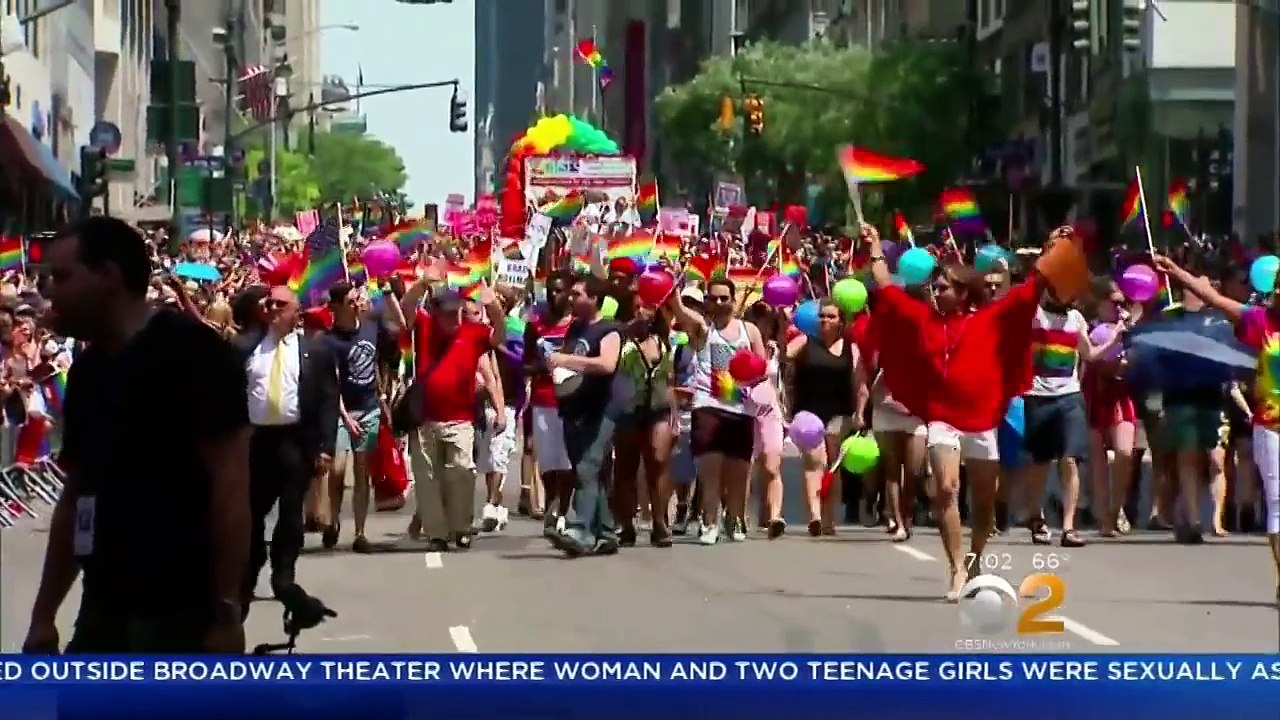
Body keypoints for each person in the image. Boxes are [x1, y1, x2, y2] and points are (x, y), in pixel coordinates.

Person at [24, 216, 251, 653]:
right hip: (103, 612)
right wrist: (43, 616)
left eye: (64, 276)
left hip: (179, 619)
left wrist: (225, 612)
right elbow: (75, 498)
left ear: (109, 276)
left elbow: (230, 487)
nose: (50, 291)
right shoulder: (88, 372)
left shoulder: (194, 354)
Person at [865, 222, 1049, 601]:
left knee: (984, 506)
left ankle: (976, 556)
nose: (935, 290)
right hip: (941, 417)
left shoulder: (990, 318)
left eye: (944, 286)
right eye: (935, 286)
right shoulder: (922, 319)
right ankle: (956, 569)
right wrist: (874, 249)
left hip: (981, 420)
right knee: (946, 487)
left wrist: (1051, 247)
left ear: (964, 292)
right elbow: (885, 287)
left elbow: (1032, 289)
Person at [236, 285, 340, 613]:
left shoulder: (313, 350)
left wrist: (324, 445)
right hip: (256, 442)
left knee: (291, 511)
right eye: (270, 303)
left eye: (282, 304)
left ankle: (284, 576)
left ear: (296, 312)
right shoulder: (246, 347)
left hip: (296, 441)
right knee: (251, 513)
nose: (274, 308)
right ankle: (248, 572)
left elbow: (327, 399)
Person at [396, 275, 505, 552]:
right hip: (425, 420)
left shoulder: (473, 332)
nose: (452, 317)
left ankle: (461, 527)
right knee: (428, 479)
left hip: (460, 419)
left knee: (462, 472)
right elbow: (406, 305)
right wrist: (422, 282)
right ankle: (437, 534)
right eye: (446, 312)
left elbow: (499, 336)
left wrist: (493, 308)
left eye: (455, 311)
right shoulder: (423, 326)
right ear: (434, 311)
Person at [668, 278, 768, 545]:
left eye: (725, 298)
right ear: (707, 301)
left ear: (733, 301)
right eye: (714, 298)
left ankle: (734, 518)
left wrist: (749, 372)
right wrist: (673, 282)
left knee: (738, 473)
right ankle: (709, 522)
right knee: (710, 469)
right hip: (708, 406)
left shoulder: (750, 331)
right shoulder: (703, 330)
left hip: (741, 409)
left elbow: (763, 368)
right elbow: (678, 309)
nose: (720, 303)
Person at [546, 275, 622, 557]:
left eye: (577, 294)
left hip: (601, 409)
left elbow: (606, 364)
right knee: (586, 469)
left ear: (594, 299)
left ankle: (581, 531)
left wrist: (566, 360)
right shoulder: (576, 328)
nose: (571, 298)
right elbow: (572, 363)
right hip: (575, 406)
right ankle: (605, 531)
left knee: (588, 467)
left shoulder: (610, 330)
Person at [786, 298, 869, 536]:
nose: (825, 320)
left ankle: (830, 518)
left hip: (839, 412)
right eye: (821, 316)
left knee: (833, 466)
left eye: (831, 316)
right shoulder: (805, 341)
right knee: (814, 462)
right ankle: (815, 516)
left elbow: (860, 383)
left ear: (841, 322)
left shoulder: (850, 348)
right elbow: (785, 355)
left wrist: (860, 413)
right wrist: (784, 328)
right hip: (808, 410)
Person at [322, 282, 389, 552]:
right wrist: (347, 418)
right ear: (336, 307)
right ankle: (334, 520)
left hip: (369, 407)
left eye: (356, 300)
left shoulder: (371, 328)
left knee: (363, 472)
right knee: (337, 470)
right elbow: (333, 385)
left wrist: (383, 398)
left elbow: (375, 364)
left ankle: (360, 533)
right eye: (350, 301)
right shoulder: (330, 341)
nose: (355, 305)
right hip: (342, 411)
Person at [524, 272, 576, 536]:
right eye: (550, 291)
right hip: (543, 400)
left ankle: (563, 510)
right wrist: (541, 366)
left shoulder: (577, 325)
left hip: (570, 400)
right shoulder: (535, 325)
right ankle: (552, 499)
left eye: (559, 290)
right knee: (547, 460)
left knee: (567, 460)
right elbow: (526, 362)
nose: (554, 295)